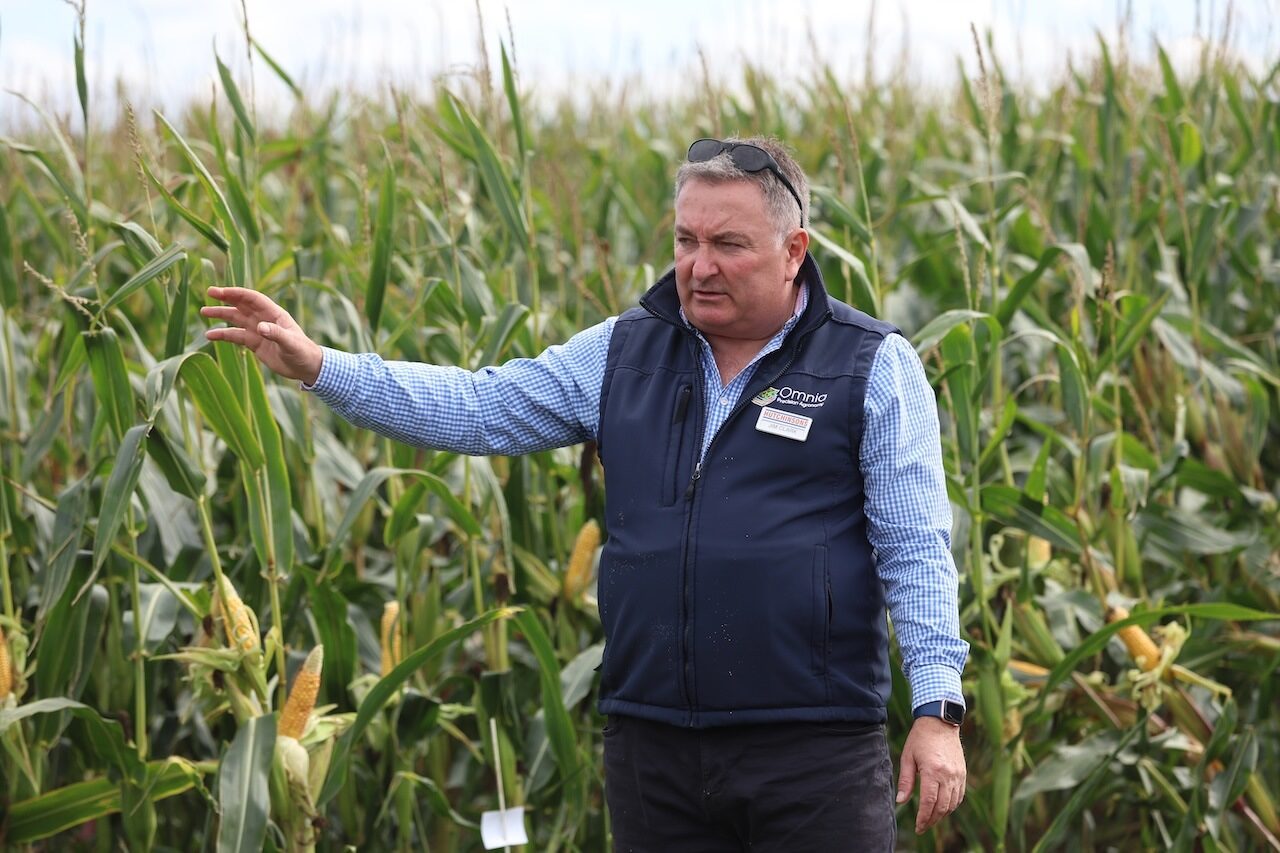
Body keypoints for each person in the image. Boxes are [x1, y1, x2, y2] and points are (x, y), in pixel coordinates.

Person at [203, 136, 969, 851]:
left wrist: (936, 709)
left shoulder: (869, 364)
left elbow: (915, 548)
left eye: (728, 244)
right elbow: (478, 405)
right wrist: (320, 366)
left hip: (812, 754)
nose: (699, 266)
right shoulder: (622, 352)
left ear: (793, 250)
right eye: (686, 240)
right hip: (654, 750)